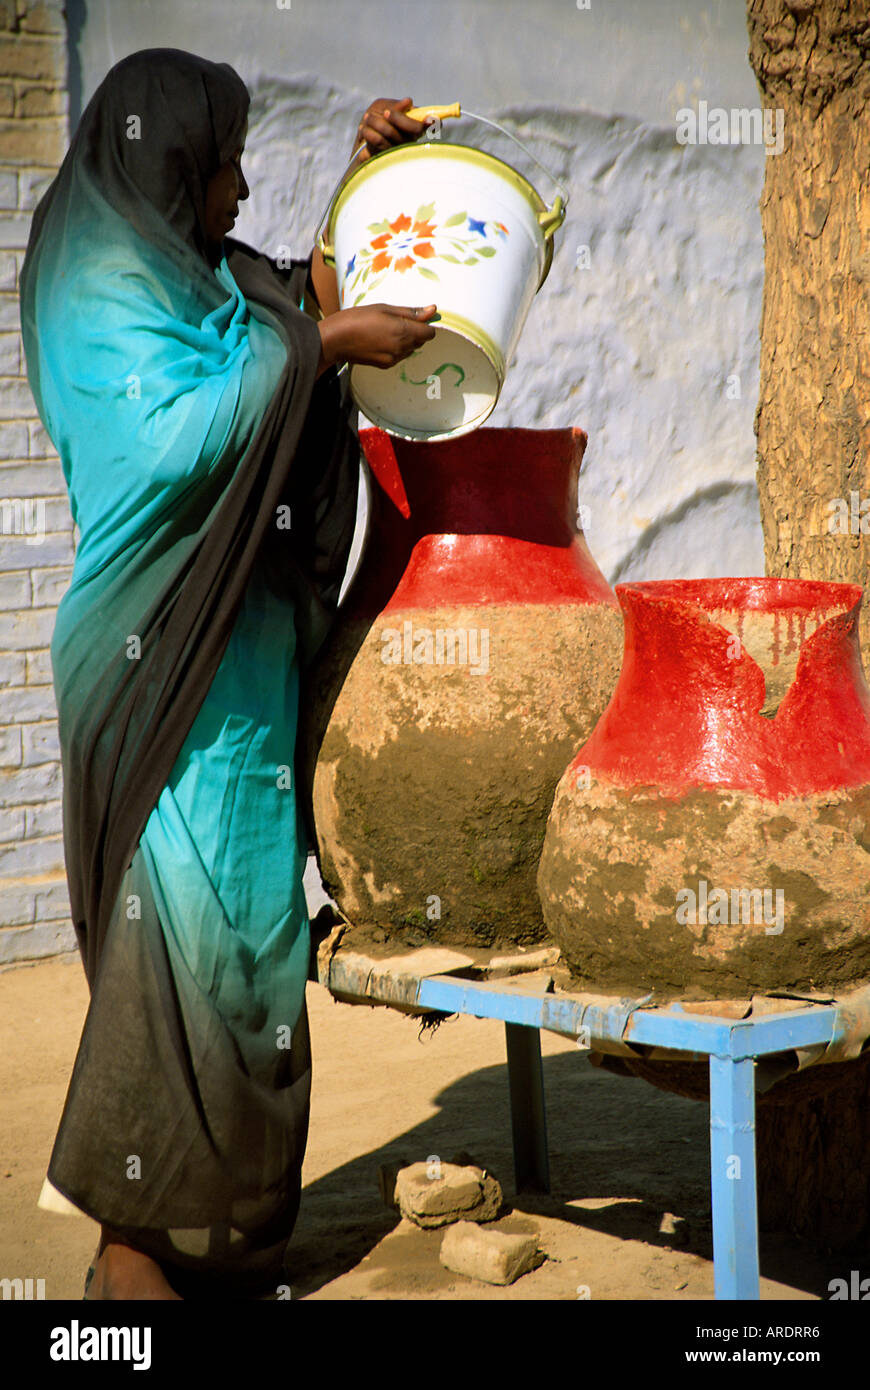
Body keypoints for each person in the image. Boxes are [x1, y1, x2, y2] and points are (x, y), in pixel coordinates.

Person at [19, 47, 438, 1300]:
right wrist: (328, 343)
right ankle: (124, 1270)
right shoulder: (95, 291)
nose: (243, 187)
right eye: (228, 167)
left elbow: (281, 304)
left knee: (248, 951)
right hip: (160, 690)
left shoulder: (185, 274)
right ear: (172, 166)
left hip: (239, 695)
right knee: (170, 976)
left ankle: (199, 1248)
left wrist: (364, 182)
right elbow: (173, 443)